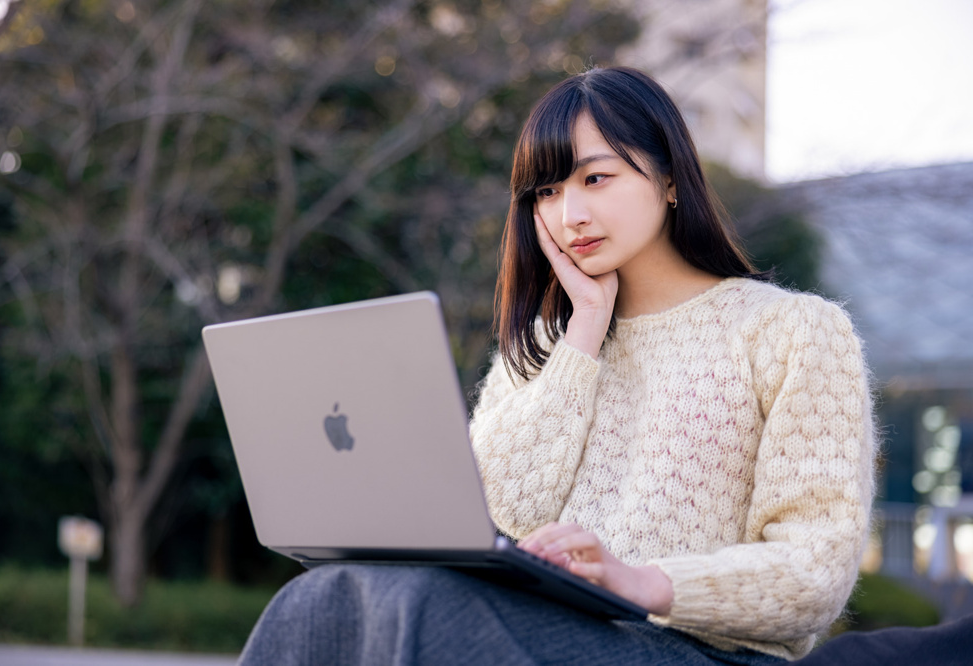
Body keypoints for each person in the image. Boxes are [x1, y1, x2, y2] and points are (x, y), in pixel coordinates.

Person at [237, 66, 876, 665]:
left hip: (702, 651)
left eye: (596, 179)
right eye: (548, 191)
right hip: (554, 628)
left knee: (429, 608)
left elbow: (813, 571)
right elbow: (490, 521)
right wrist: (582, 339)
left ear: (673, 178)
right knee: (318, 599)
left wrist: (641, 582)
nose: (571, 216)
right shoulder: (549, 341)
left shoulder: (793, 332)